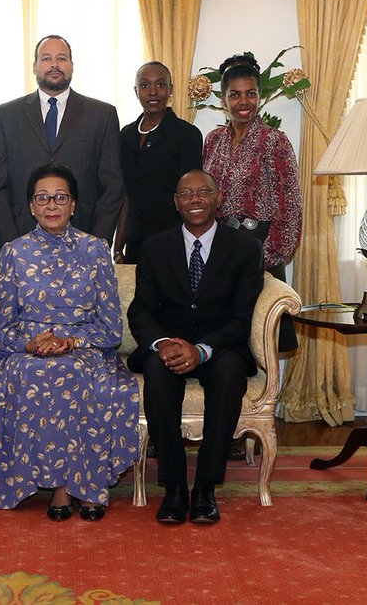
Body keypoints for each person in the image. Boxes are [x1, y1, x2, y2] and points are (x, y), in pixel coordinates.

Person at [0, 163, 139, 521]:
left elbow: (111, 329)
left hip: (84, 348)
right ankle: (63, 487)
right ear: (32, 206)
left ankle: (80, 487)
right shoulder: (14, 253)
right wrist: (31, 344)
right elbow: (3, 330)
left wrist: (71, 340)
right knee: (35, 373)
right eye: (42, 198)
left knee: (76, 373)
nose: (51, 205)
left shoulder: (96, 249)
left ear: (73, 205)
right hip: (28, 350)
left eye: (60, 197)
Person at [127, 169, 265, 525]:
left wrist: (202, 349)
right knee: (156, 370)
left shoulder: (245, 248)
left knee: (230, 371)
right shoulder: (155, 247)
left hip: (220, 346)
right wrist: (162, 343)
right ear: (176, 203)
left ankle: (205, 487)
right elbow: (141, 309)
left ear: (218, 198)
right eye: (186, 194)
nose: (195, 200)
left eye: (203, 192)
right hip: (170, 346)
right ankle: (174, 487)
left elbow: (241, 317)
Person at [202, 52, 301, 350]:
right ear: (224, 99)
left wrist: (267, 258)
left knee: (259, 340)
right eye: (235, 94)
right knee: (223, 338)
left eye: (250, 94)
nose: (243, 102)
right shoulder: (213, 140)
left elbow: (290, 206)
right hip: (219, 248)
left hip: (259, 246)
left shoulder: (275, 140)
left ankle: (265, 397)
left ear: (260, 97)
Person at [0, 35, 123, 247]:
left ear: (72, 65)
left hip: (84, 238)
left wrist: (97, 243)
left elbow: (112, 185)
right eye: (46, 58)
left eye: (61, 58)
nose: (54, 65)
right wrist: (10, 243)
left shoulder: (102, 115)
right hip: (21, 236)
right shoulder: (5, 115)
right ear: (34, 66)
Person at [114, 61, 203, 264]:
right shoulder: (125, 135)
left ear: (170, 90)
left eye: (160, 85)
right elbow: (124, 194)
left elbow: (192, 196)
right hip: (135, 242)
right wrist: (118, 247)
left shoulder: (185, 135)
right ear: (136, 91)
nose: (153, 92)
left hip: (173, 242)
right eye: (145, 86)